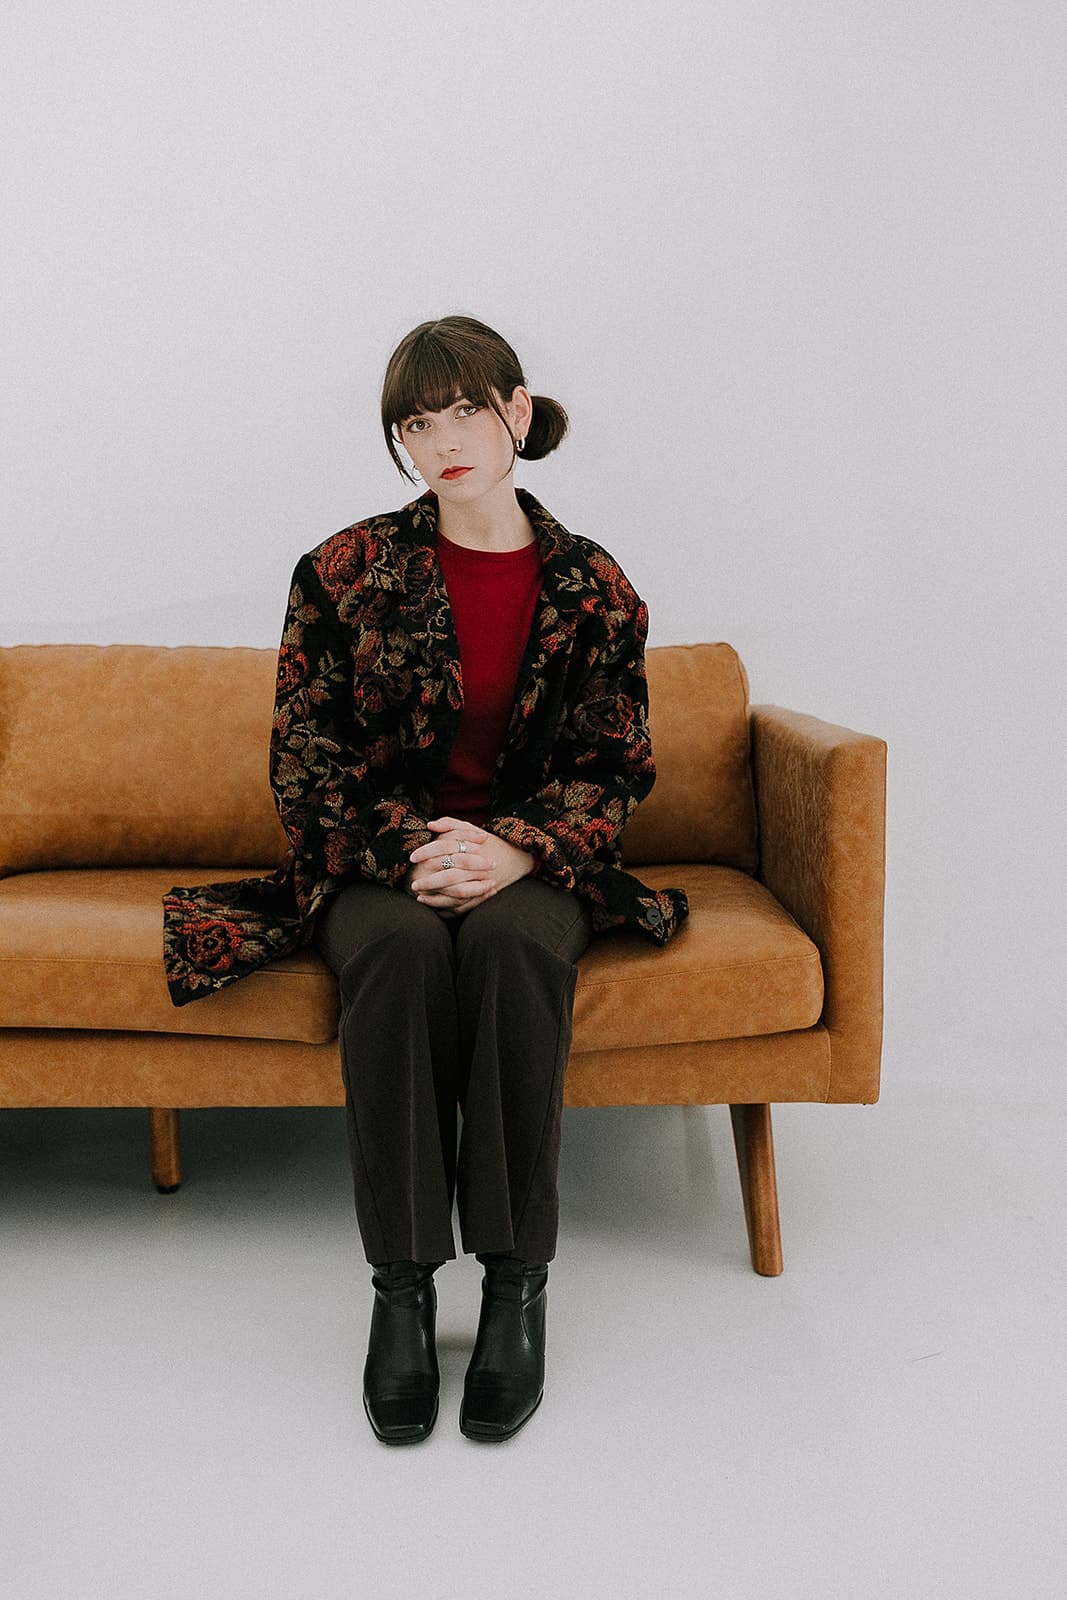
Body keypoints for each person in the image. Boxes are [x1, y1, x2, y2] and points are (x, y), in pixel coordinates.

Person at [162, 314, 688, 1446]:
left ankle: (514, 1287)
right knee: (397, 951)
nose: (440, 438)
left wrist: (513, 848)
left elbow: (614, 764)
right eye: (413, 419)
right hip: (375, 856)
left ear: (514, 407)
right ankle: (399, 1292)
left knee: (511, 945)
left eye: (460, 409)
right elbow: (304, 763)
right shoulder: (344, 569)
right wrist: (416, 849)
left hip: (536, 858)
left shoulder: (593, 585)